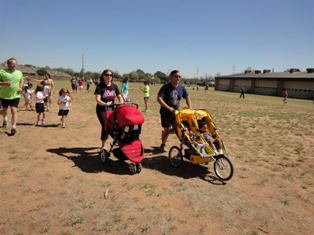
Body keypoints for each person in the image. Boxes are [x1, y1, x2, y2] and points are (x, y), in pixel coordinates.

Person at [157, 70, 192, 152]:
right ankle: (162, 145)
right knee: (166, 129)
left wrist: (190, 108)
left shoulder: (181, 88)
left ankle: (167, 133)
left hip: (176, 113)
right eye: (176, 76)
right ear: (171, 77)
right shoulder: (165, 87)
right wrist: (169, 108)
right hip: (166, 113)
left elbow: (187, 98)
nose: (178, 78)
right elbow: (159, 99)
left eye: (179, 76)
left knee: (181, 129)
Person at [94, 69, 124, 150]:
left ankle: (118, 141)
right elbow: (98, 99)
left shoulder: (114, 86)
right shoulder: (100, 86)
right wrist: (105, 104)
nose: (109, 76)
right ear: (103, 76)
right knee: (105, 125)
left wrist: (121, 103)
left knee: (116, 125)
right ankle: (103, 145)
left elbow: (120, 97)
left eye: (111, 75)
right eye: (107, 75)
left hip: (112, 109)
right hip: (102, 109)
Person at [0, 57, 24, 135]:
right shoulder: (2, 72)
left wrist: (21, 87)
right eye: (12, 64)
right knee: (4, 110)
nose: (14, 65)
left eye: (15, 63)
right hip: (4, 95)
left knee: (14, 111)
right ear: (8, 64)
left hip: (15, 95)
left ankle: (13, 127)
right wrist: (4, 83)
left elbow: (21, 80)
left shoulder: (19, 72)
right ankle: (5, 119)